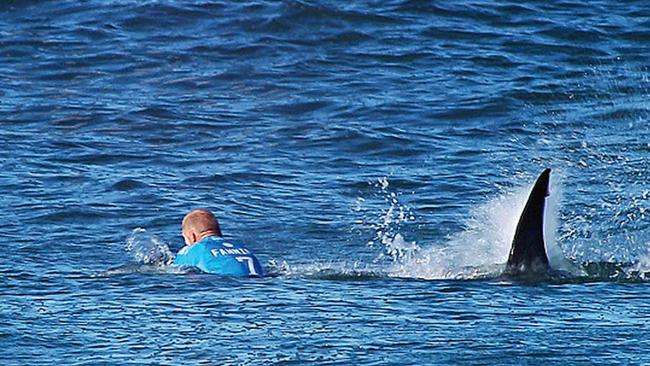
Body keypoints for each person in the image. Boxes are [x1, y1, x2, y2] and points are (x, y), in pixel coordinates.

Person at [173, 209, 264, 277]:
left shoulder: (196, 249)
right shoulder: (240, 247)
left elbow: (174, 269)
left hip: (227, 284)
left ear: (192, 236)